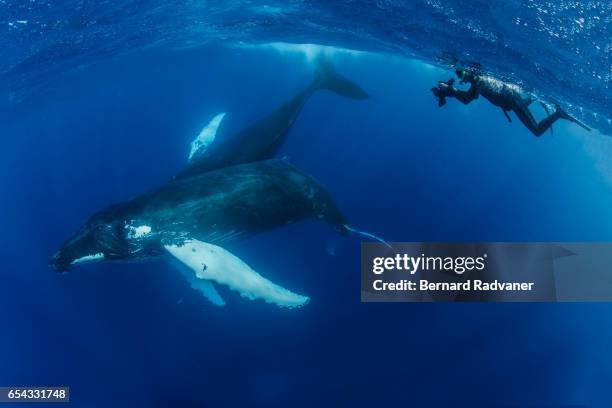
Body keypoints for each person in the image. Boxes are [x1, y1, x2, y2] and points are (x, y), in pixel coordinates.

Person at [431, 68, 591, 136]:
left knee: (536, 130)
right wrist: (450, 91)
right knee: (522, 105)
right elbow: (466, 100)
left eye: (462, 76)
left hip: (513, 101)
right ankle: (536, 96)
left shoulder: (478, 81)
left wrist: (451, 91)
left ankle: (558, 114)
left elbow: (467, 97)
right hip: (511, 102)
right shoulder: (476, 82)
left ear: (468, 73)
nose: (461, 80)